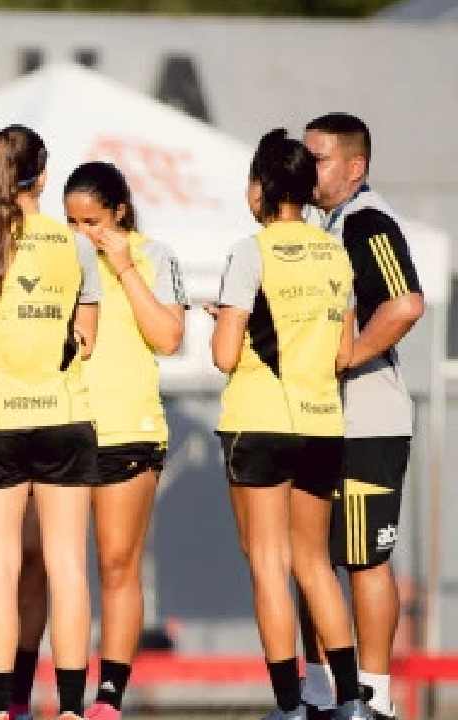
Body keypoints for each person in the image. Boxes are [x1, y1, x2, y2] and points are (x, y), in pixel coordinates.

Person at [0, 125, 101, 720]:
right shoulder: (74, 245)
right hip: (64, 417)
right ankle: (75, 708)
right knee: (67, 566)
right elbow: (87, 338)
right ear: (43, 174)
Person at [210, 129, 366, 720]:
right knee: (314, 564)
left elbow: (226, 356)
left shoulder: (252, 251)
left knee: (268, 565)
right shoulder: (335, 252)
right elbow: (343, 352)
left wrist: (223, 325)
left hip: (260, 420)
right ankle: (351, 700)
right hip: (323, 420)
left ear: (265, 187)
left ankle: (289, 704)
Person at [42, 161, 185, 720]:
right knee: (62, 567)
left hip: (130, 429)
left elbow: (169, 337)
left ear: (119, 212)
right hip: (64, 427)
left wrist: (124, 267)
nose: (83, 233)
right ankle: (69, 698)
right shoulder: (55, 257)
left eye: (93, 221)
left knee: (117, 564)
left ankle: (110, 698)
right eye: (73, 221)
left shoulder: (155, 255)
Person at [297, 113, 425, 720]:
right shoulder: (317, 224)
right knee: (310, 557)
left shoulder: (368, 221)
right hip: (320, 417)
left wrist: (350, 354)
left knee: (365, 557)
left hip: (368, 418)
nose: (305, 169)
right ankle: (322, 691)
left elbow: (405, 303)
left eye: (317, 159)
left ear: (355, 167)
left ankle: (374, 696)